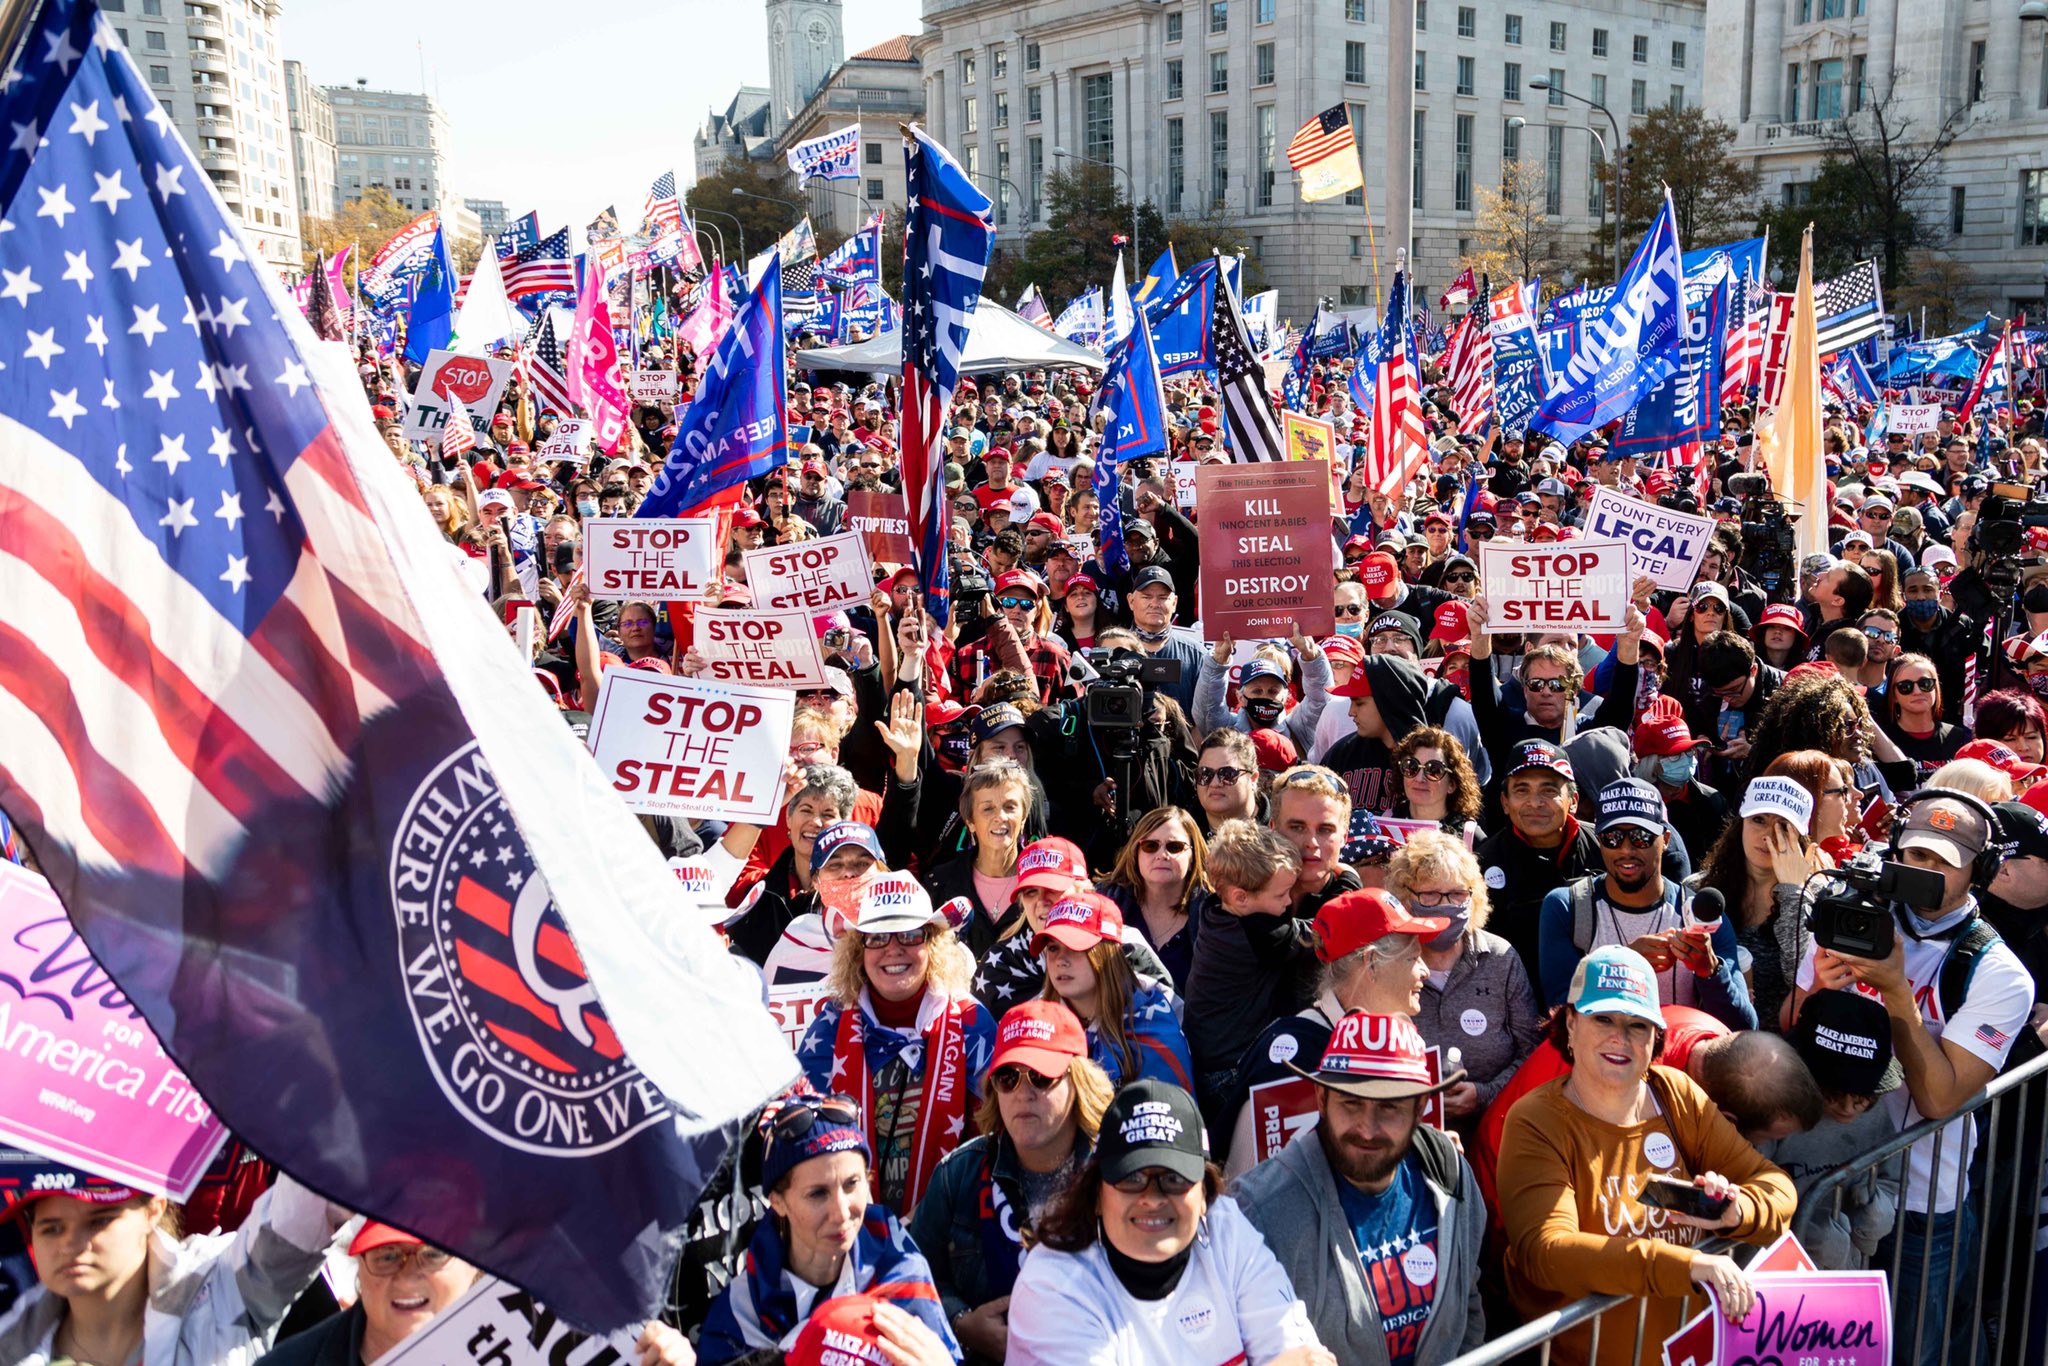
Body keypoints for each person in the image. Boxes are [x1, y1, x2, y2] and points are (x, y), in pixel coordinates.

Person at [1789, 787, 2036, 1366]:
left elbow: (1939, 1098)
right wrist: (1824, 986)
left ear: (1984, 870)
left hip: (1925, 1205)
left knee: (1910, 1353)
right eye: (1916, 855)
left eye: (1943, 863)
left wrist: (1897, 990)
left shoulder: (2000, 974)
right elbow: (1792, 1027)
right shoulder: (1854, 913)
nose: (1923, 873)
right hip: (1826, 1180)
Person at [1497, 947, 1797, 1366]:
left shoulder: (1674, 1092)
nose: (1619, 1037)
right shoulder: (1536, 1120)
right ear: (1570, 1023)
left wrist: (1735, 1211)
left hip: (1684, 1353)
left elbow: (1775, 1185)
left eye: (1637, 1025)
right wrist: (1686, 1265)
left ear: (1656, 1036)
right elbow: (1546, 1250)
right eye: (1602, 1019)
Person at [1006, 1079, 1335, 1366]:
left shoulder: (1225, 1228)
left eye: (1175, 1178)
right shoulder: (1051, 1286)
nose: (1152, 1197)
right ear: (1096, 1194)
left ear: (1205, 1194)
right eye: (1131, 1177)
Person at [1232, 1012, 1487, 1366]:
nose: (1367, 1129)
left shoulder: (1450, 1174)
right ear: (1321, 1098)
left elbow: (1467, 1302)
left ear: (1419, 1110)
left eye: (1389, 1108)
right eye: (1351, 1103)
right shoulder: (1259, 1210)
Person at [909, 1001, 1116, 1364]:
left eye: (1041, 1076)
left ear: (1079, 1081)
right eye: (1009, 1077)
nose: (1023, 1093)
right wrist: (962, 1323)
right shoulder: (958, 1173)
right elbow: (910, 1276)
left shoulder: (1117, 1174)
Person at [699, 1093, 960, 1363]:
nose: (841, 1213)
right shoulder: (742, 1311)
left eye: (852, 1184)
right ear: (777, 1201)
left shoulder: (902, 1271)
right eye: (818, 1194)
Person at [0, 1170, 351, 1366]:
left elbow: (307, 1207)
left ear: (153, 1210)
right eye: (52, 1228)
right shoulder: (11, 1344)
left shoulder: (221, 1293)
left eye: (99, 1220)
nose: (70, 1243)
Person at [795, 875, 996, 1214]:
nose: (893, 948)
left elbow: (996, 1131)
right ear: (859, 950)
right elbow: (802, 1137)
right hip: (850, 1229)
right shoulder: (830, 1026)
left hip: (955, 1228)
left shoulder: (971, 1023)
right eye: (877, 937)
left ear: (931, 943)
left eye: (909, 934)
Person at [1538, 779, 1757, 1030]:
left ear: (1665, 839)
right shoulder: (1568, 907)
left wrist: (1710, 971)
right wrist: (1622, 965)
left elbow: (1744, 1027)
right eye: (1613, 838)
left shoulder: (1699, 914)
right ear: (1599, 841)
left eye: (1641, 837)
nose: (1626, 850)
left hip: (1683, 1062)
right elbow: (1559, 1017)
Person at [1389, 831, 1543, 1131]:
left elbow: (1532, 1050)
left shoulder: (1501, 958)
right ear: (1406, 898)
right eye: (1430, 895)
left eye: (1457, 894)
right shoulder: (1387, 963)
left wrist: (1485, 1094)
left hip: (1498, 1125)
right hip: (1410, 1130)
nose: (1445, 905)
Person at [1036, 890, 1195, 1089]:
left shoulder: (1154, 1027)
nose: (1060, 960)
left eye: (1075, 947)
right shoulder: (1035, 1023)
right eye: (1053, 948)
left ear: (1107, 954)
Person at [1098, 805, 1212, 992]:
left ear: (1192, 856)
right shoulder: (1106, 901)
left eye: (1174, 847)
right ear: (1136, 852)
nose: (1162, 855)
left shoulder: (1213, 912)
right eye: (1150, 846)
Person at [1387, 728, 1484, 845]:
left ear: (1451, 784)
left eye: (1434, 770)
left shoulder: (1470, 837)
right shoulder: (1385, 823)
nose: (1419, 778)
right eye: (1411, 766)